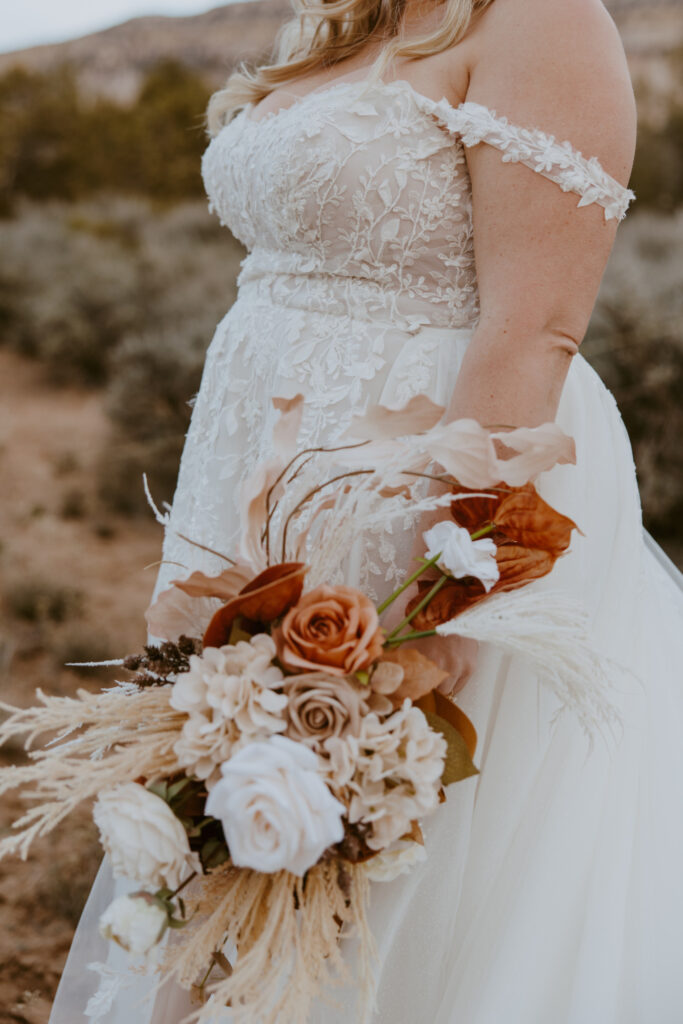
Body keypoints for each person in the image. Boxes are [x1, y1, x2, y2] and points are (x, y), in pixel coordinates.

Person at [50, 0, 683, 1021]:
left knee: (369, 829)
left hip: (418, 491)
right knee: (233, 802)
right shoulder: (352, 18)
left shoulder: (543, 19)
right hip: (264, 484)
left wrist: (453, 579)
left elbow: (533, 329)